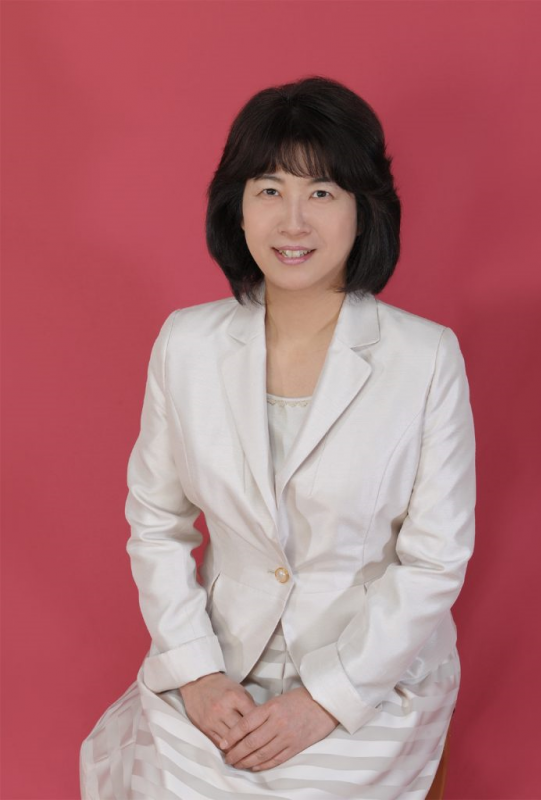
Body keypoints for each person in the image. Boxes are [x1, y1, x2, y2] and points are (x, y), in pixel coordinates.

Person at [79, 75, 476, 800]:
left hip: (369, 671)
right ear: (237, 209)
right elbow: (156, 523)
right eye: (269, 189)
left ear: (364, 211)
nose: (293, 221)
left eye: (321, 192)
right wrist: (197, 672)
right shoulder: (185, 345)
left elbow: (434, 559)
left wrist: (326, 698)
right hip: (221, 661)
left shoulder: (425, 358)